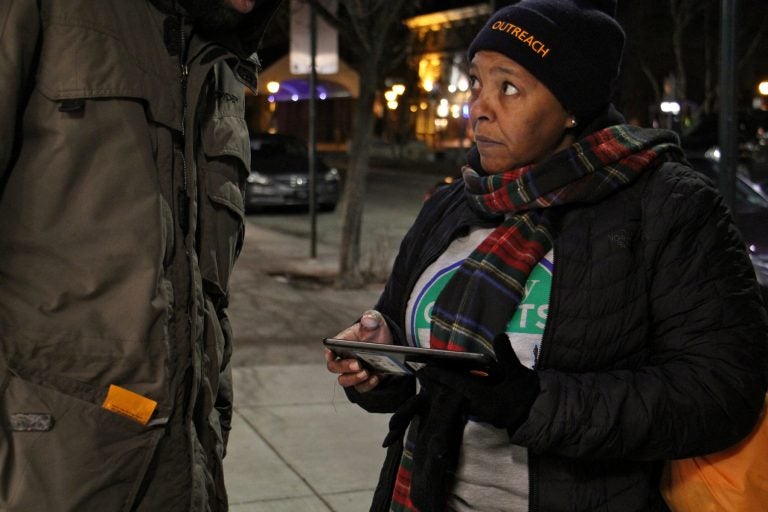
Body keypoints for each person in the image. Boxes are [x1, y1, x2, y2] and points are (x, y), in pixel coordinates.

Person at [325, 1, 768, 510]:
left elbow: (720, 392)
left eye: (508, 87)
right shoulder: (453, 203)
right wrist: (382, 360)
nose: (479, 106)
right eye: (476, 82)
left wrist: (531, 402)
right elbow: (419, 371)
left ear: (571, 106)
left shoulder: (668, 206)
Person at [0, 0, 280, 510]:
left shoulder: (224, 64)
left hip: (185, 474)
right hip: (47, 475)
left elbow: (205, 295)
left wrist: (212, 416)